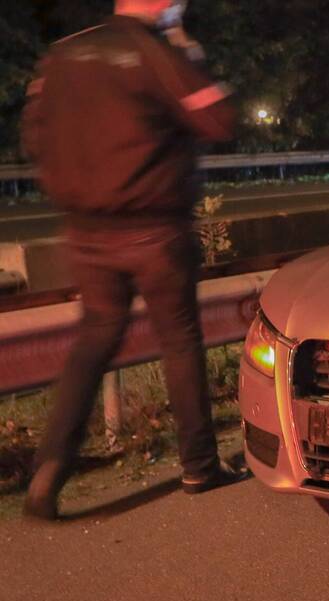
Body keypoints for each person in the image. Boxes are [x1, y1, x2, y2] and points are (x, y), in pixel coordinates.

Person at [20, 0, 244, 520]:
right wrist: (188, 48)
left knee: (94, 340)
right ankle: (199, 466)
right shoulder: (156, 52)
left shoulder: (64, 55)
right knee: (180, 339)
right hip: (155, 228)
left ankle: (48, 471)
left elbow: (35, 135)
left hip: (87, 232)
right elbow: (216, 117)